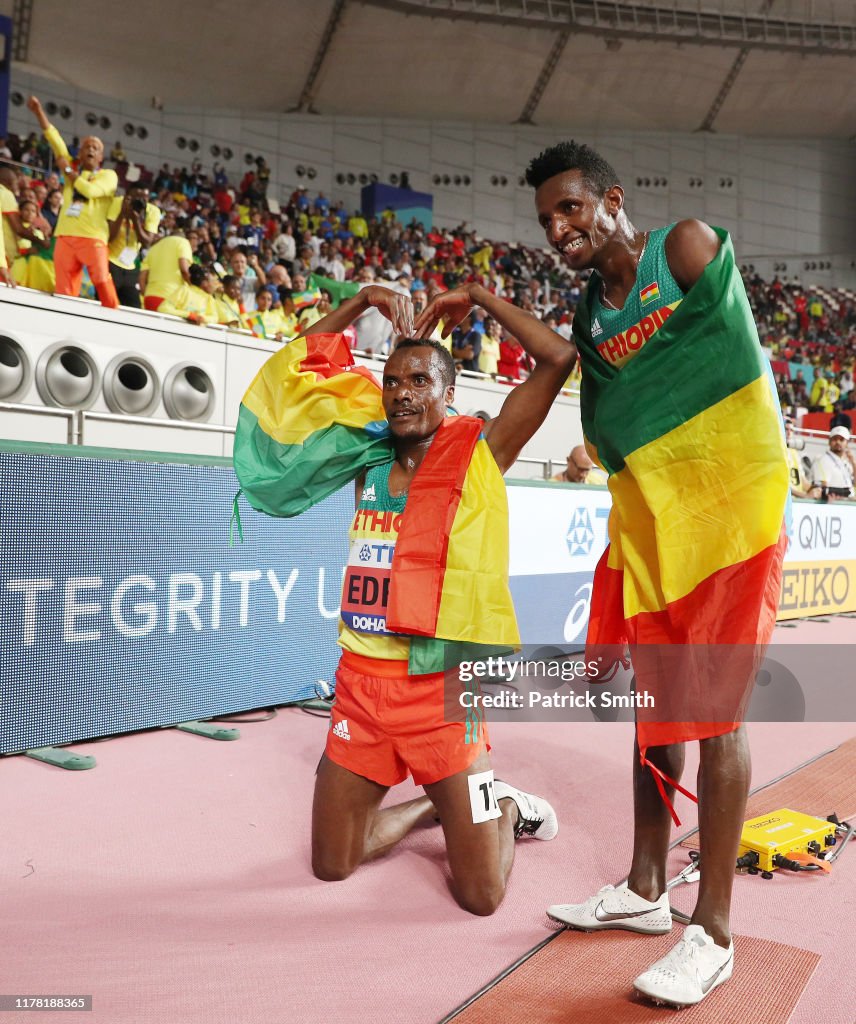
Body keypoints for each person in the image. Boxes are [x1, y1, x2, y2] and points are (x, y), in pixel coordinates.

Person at [527, 141, 788, 1008]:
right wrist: (613, 443)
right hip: (659, 530)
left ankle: (712, 932)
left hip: (732, 522)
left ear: (612, 199)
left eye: (571, 210)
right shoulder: (588, 316)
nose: (559, 230)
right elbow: (615, 423)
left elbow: (729, 371)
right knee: (654, 706)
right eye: (547, 221)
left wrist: (656, 427)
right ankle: (645, 889)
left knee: (714, 716)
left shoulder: (682, 251)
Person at [234, 281, 575, 916]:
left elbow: (557, 358)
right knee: (332, 864)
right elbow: (298, 369)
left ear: (449, 394)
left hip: (442, 691)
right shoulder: (363, 453)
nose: (402, 393)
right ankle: (430, 804)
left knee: (480, 897)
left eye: (420, 381)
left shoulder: (481, 450)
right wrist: (362, 301)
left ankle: (498, 802)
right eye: (393, 381)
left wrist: (477, 295)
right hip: (360, 688)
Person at [26, 95, 120, 308]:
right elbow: (54, 139)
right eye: (86, 145)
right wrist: (38, 111)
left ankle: (114, 321)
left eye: (95, 147)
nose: (90, 149)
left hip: (93, 237)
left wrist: (67, 170)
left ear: (101, 157)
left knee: (102, 282)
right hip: (65, 236)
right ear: (79, 151)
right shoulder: (73, 168)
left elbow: (90, 191)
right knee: (64, 289)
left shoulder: (109, 175)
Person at [107, 185, 161, 308]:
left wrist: (136, 219)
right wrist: (122, 214)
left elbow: (147, 242)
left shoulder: (152, 211)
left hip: (130, 266)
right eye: (136, 197)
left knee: (133, 306)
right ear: (128, 196)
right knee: (106, 301)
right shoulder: (117, 202)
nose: (140, 201)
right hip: (110, 261)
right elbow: (110, 237)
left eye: (144, 198)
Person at [809, 426, 854, 500]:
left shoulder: (846, 462)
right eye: (835, 439)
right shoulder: (822, 459)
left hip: (846, 505)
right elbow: (822, 489)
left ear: (847, 443)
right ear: (829, 442)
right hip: (831, 506)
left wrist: (853, 463)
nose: (838, 442)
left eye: (841, 439)